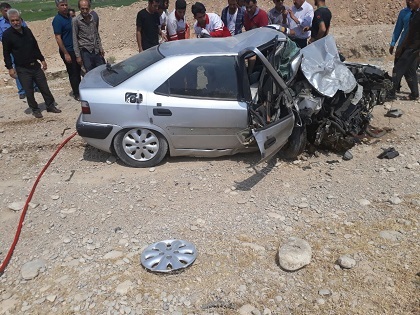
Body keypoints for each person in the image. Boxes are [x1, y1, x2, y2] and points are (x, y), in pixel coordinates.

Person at [2, 9, 61, 118]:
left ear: (21, 19)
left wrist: (42, 59)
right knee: (29, 91)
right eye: (13, 20)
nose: (16, 22)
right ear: (10, 21)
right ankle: (35, 109)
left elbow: (35, 46)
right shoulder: (7, 35)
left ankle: (50, 105)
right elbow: (6, 53)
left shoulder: (27, 31)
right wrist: (10, 68)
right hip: (22, 68)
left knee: (44, 88)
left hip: (35, 65)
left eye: (17, 20)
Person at [0, 2, 38, 99]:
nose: (8, 12)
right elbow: (2, 37)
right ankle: (22, 90)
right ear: (1, 12)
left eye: (9, 9)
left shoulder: (19, 20)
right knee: (17, 68)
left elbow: (25, 29)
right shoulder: (1, 23)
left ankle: (34, 86)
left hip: (24, 47)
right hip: (12, 49)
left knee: (30, 65)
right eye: (5, 11)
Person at [388, 0, 420, 101]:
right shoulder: (408, 13)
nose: (409, 2)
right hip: (405, 45)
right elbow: (401, 29)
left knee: (399, 69)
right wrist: (395, 44)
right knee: (408, 70)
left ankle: (390, 94)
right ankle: (414, 94)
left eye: (412, 0)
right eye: (408, 0)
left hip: (414, 48)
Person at [52, 0, 81, 100]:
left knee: (78, 71)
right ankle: (77, 93)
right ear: (57, 7)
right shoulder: (57, 20)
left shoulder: (69, 17)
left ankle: (81, 89)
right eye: (62, 5)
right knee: (73, 72)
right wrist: (65, 53)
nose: (64, 7)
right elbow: (58, 38)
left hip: (75, 48)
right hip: (68, 50)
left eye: (65, 5)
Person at [72, 0, 105, 72]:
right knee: (91, 73)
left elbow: (96, 34)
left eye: (86, 8)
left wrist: (100, 47)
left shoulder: (92, 18)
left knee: (102, 71)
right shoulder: (76, 21)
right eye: (82, 9)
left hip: (96, 50)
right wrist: (78, 56)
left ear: (89, 7)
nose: (85, 11)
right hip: (85, 52)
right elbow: (74, 39)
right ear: (79, 8)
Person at [389, 0, 412, 92]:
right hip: (402, 45)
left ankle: (414, 93)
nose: (409, 1)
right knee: (397, 66)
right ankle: (395, 87)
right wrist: (393, 43)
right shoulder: (404, 13)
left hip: (415, 47)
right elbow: (398, 28)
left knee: (410, 70)